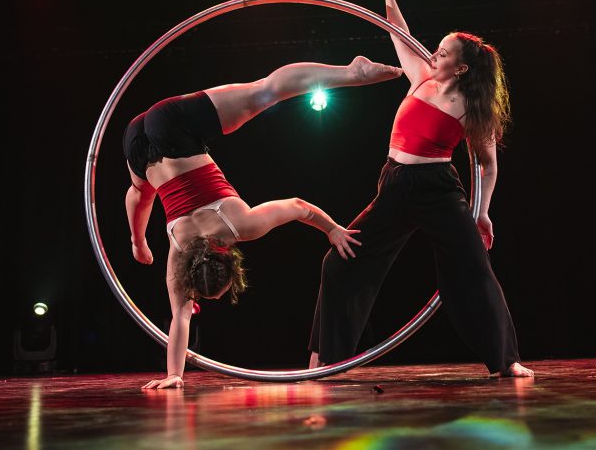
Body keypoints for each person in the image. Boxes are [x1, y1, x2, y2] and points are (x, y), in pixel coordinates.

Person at [308, 0, 534, 378]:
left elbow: (486, 163)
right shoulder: (420, 78)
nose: (434, 54)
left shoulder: (470, 107)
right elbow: (398, 34)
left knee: (473, 270)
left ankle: (507, 360)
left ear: (462, 68)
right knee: (339, 262)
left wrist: (481, 212)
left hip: (438, 191)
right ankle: (327, 358)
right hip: (393, 185)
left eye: (444, 53)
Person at [125, 56, 403, 389]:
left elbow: (298, 206)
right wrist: (139, 241)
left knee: (265, 92)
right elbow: (179, 319)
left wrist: (332, 229)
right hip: (136, 144)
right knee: (141, 191)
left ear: (229, 258)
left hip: (176, 126)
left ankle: (353, 73)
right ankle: (136, 241)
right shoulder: (177, 249)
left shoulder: (240, 226)